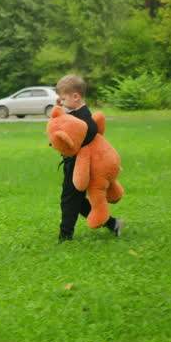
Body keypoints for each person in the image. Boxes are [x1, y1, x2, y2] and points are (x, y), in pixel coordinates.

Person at [54, 74, 124, 241]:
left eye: (63, 98)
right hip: (76, 164)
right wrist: (62, 108)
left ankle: (65, 236)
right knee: (74, 201)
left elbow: (84, 135)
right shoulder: (79, 113)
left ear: (76, 96)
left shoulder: (84, 119)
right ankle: (113, 223)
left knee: (68, 201)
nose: (61, 102)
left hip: (80, 166)